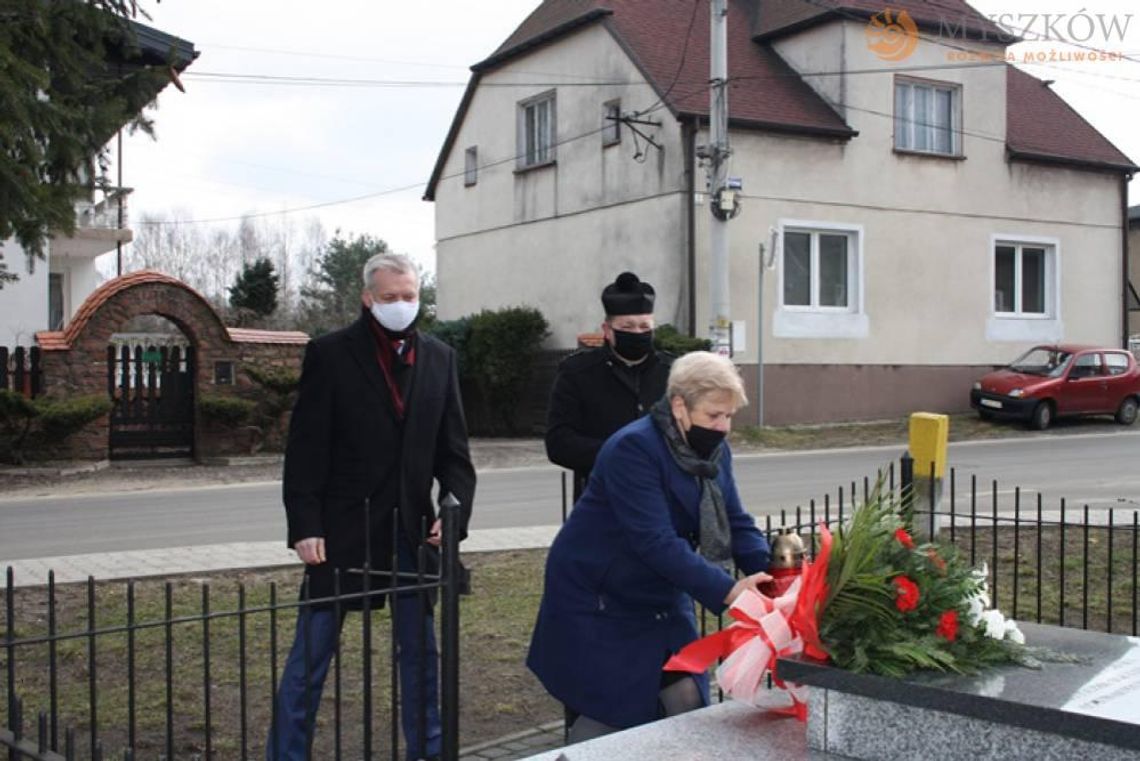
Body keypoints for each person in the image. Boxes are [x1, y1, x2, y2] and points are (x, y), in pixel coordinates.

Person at [267, 253, 476, 761]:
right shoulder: (331, 354)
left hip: (410, 532)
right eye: (390, 298)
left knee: (422, 659)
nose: (401, 306)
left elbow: (455, 455)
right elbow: (306, 450)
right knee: (309, 660)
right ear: (368, 298)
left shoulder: (439, 358)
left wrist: (452, 518)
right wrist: (305, 525)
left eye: (409, 297)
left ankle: (426, 753)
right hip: (341, 533)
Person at [527, 351, 772, 742]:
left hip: (657, 598)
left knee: (686, 696)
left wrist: (779, 578)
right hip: (602, 599)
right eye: (713, 415)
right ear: (679, 405)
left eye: (729, 417)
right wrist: (729, 590)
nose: (723, 428)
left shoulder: (714, 451)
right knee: (612, 716)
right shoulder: (633, 449)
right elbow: (653, 540)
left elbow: (737, 521)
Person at [545, 271, 673, 501]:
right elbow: (558, 442)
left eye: (645, 327)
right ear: (607, 330)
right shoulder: (578, 372)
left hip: (663, 496)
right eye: (628, 327)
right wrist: (618, 453)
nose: (637, 333)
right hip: (601, 498)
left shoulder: (673, 372)